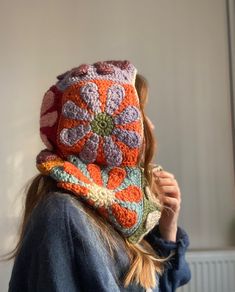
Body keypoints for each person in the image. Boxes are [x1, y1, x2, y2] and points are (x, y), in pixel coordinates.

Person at [7, 60, 191, 291]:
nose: (151, 127)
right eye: (139, 113)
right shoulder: (62, 215)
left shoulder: (121, 214)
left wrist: (168, 231)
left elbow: (156, 287)